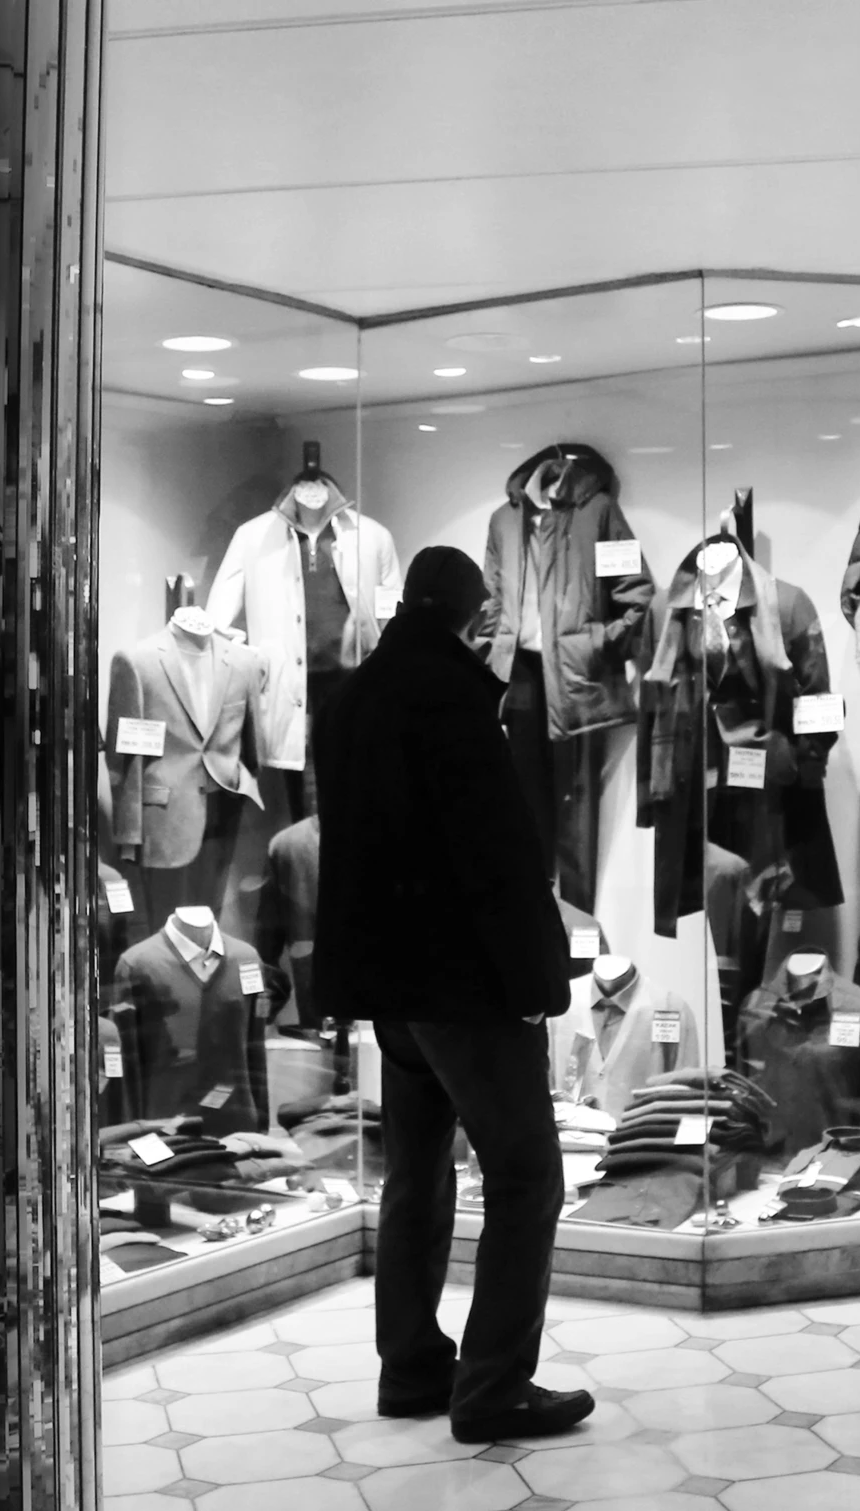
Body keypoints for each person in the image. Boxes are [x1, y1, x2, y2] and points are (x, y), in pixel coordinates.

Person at [312, 544, 591, 1443]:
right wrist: (538, 980)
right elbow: (495, 861)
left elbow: (346, 851)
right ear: (472, 617)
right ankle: (494, 1385)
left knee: (416, 1177)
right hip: (464, 984)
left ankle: (411, 1366)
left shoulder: (355, 695)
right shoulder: (457, 702)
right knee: (525, 1176)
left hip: (390, 989)